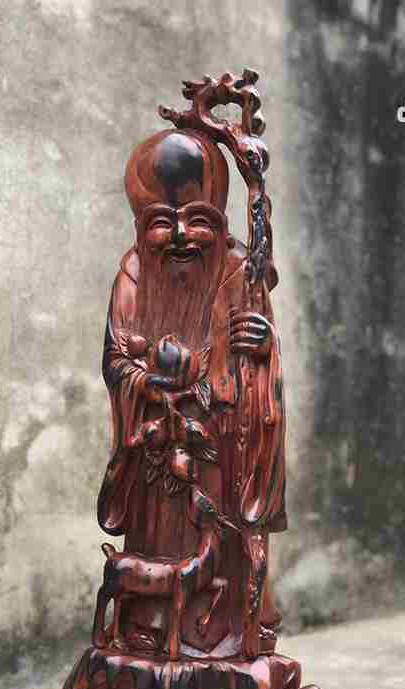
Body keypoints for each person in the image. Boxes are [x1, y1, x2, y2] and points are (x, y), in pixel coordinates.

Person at [97, 128, 286, 657]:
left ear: (218, 220)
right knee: (159, 533)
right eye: (163, 223)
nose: (181, 236)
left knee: (220, 533)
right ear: (143, 225)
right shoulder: (134, 273)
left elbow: (261, 366)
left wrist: (263, 346)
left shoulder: (239, 271)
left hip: (220, 441)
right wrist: (150, 383)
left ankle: (227, 626)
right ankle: (150, 624)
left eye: (197, 220)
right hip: (160, 442)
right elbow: (116, 361)